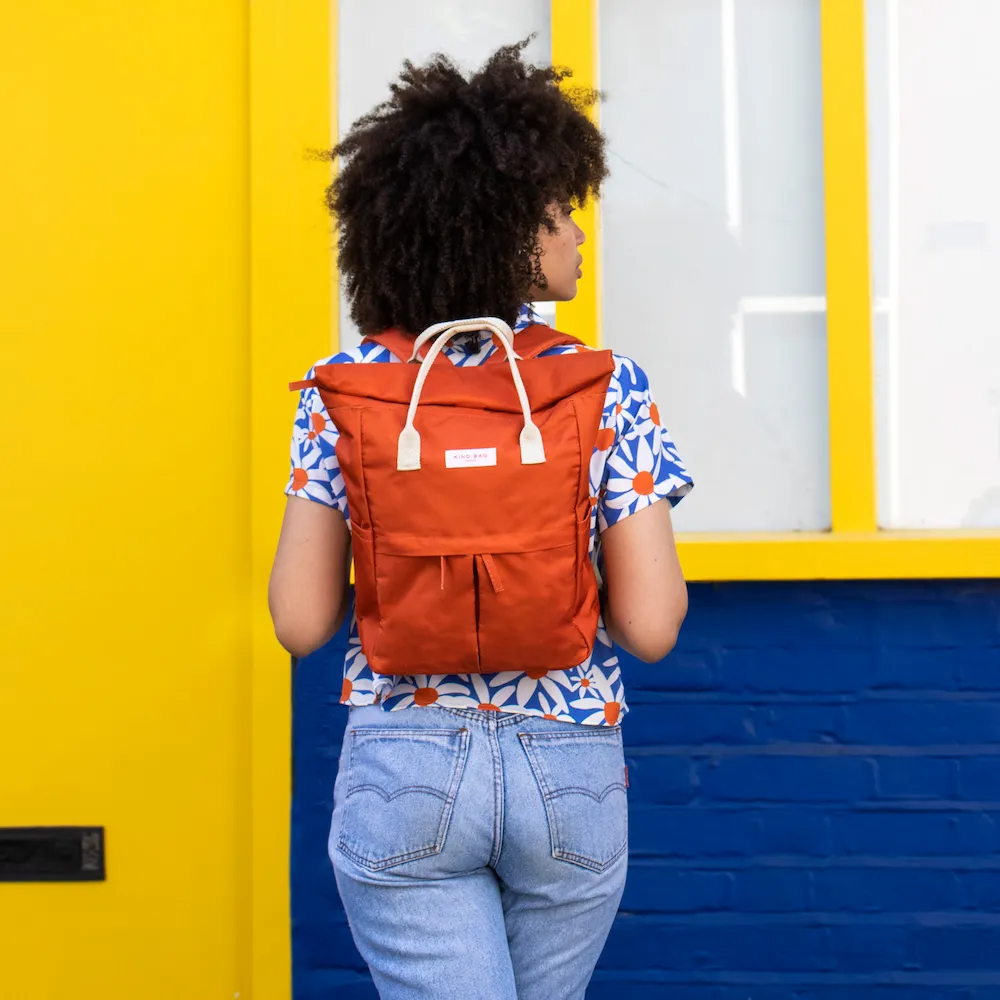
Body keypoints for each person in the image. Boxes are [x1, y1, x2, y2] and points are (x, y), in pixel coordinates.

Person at [269, 39, 692, 1000]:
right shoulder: (607, 384)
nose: (578, 235)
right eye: (558, 214)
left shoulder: (344, 393)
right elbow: (652, 626)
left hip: (402, 760)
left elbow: (298, 623)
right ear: (503, 235)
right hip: (569, 769)